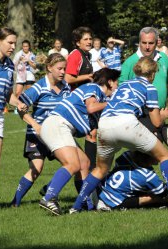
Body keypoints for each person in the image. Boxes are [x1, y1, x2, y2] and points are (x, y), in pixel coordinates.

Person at [71, 57, 168, 213]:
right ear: (152, 74)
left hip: (105, 123)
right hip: (126, 123)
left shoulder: (123, 85)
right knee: (164, 156)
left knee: (101, 169)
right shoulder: (149, 88)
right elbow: (156, 122)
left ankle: (76, 206)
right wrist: (163, 116)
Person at [38, 68, 119, 215]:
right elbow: (91, 107)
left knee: (84, 163)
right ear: (110, 82)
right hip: (57, 123)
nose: (117, 87)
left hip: (61, 126)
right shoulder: (94, 88)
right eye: (116, 82)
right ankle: (49, 197)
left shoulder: (100, 98)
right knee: (73, 164)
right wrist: (112, 104)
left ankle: (86, 204)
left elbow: (94, 127)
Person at [10, 53, 71, 207]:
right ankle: (14, 203)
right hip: (36, 136)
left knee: (73, 163)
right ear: (49, 68)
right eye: (60, 69)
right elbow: (20, 108)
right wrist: (35, 125)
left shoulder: (66, 87)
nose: (63, 72)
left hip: (57, 135)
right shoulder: (38, 88)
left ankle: (49, 189)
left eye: (65, 69)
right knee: (36, 169)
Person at [119, 27, 168, 143]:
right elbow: (121, 89)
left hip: (160, 113)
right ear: (139, 42)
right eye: (144, 43)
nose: (147, 46)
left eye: (151, 43)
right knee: (151, 155)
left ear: (157, 42)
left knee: (149, 157)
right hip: (139, 117)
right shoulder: (129, 63)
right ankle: (124, 160)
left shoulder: (163, 58)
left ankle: (124, 160)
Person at [0, 27, 27, 193]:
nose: (13, 47)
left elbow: (7, 94)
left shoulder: (10, 65)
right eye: (10, 42)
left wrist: (17, 103)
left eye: (15, 43)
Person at [65, 26, 97, 177]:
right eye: (86, 39)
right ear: (77, 42)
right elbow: (68, 78)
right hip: (75, 102)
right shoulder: (76, 55)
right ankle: (91, 170)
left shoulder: (87, 55)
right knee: (90, 134)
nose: (89, 41)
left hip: (84, 100)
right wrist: (88, 77)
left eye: (90, 38)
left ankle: (91, 168)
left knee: (93, 133)